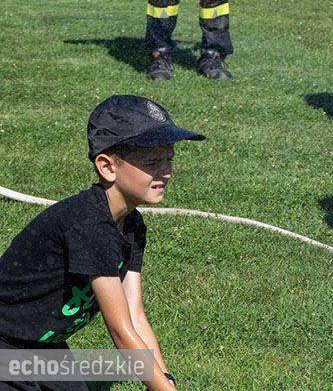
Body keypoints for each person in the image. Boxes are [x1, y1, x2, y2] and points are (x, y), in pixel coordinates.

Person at [0, 95, 205, 390]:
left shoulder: (132, 224)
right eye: (152, 162)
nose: (167, 171)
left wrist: (165, 380)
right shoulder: (88, 223)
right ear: (107, 167)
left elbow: (134, 315)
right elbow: (120, 332)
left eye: (169, 159)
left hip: (42, 347)